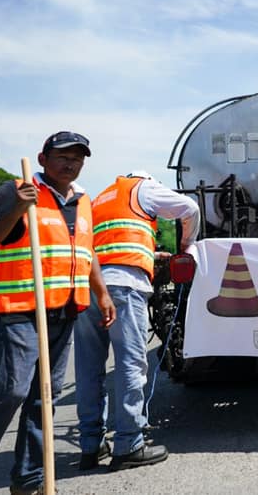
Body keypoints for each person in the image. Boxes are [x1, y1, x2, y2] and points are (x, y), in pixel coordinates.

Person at [0, 131, 116, 495]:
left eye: (78, 158)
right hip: (20, 312)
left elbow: (86, 250)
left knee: (43, 399)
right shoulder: (16, 191)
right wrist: (17, 209)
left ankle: (30, 481)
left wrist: (102, 292)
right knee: (10, 394)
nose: (71, 163)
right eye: (63, 156)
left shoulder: (83, 201)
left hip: (64, 312)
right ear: (43, 159)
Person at [75, 171, 200, 472]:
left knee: (89, 369)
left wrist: (149, 251)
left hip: (88, 285)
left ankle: (91, 446)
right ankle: (129, 443)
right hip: (123, 285)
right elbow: (190, 209)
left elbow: (108, 242)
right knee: (130, 364)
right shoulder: (143, 188)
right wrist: (187, 245)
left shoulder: (101, 197)